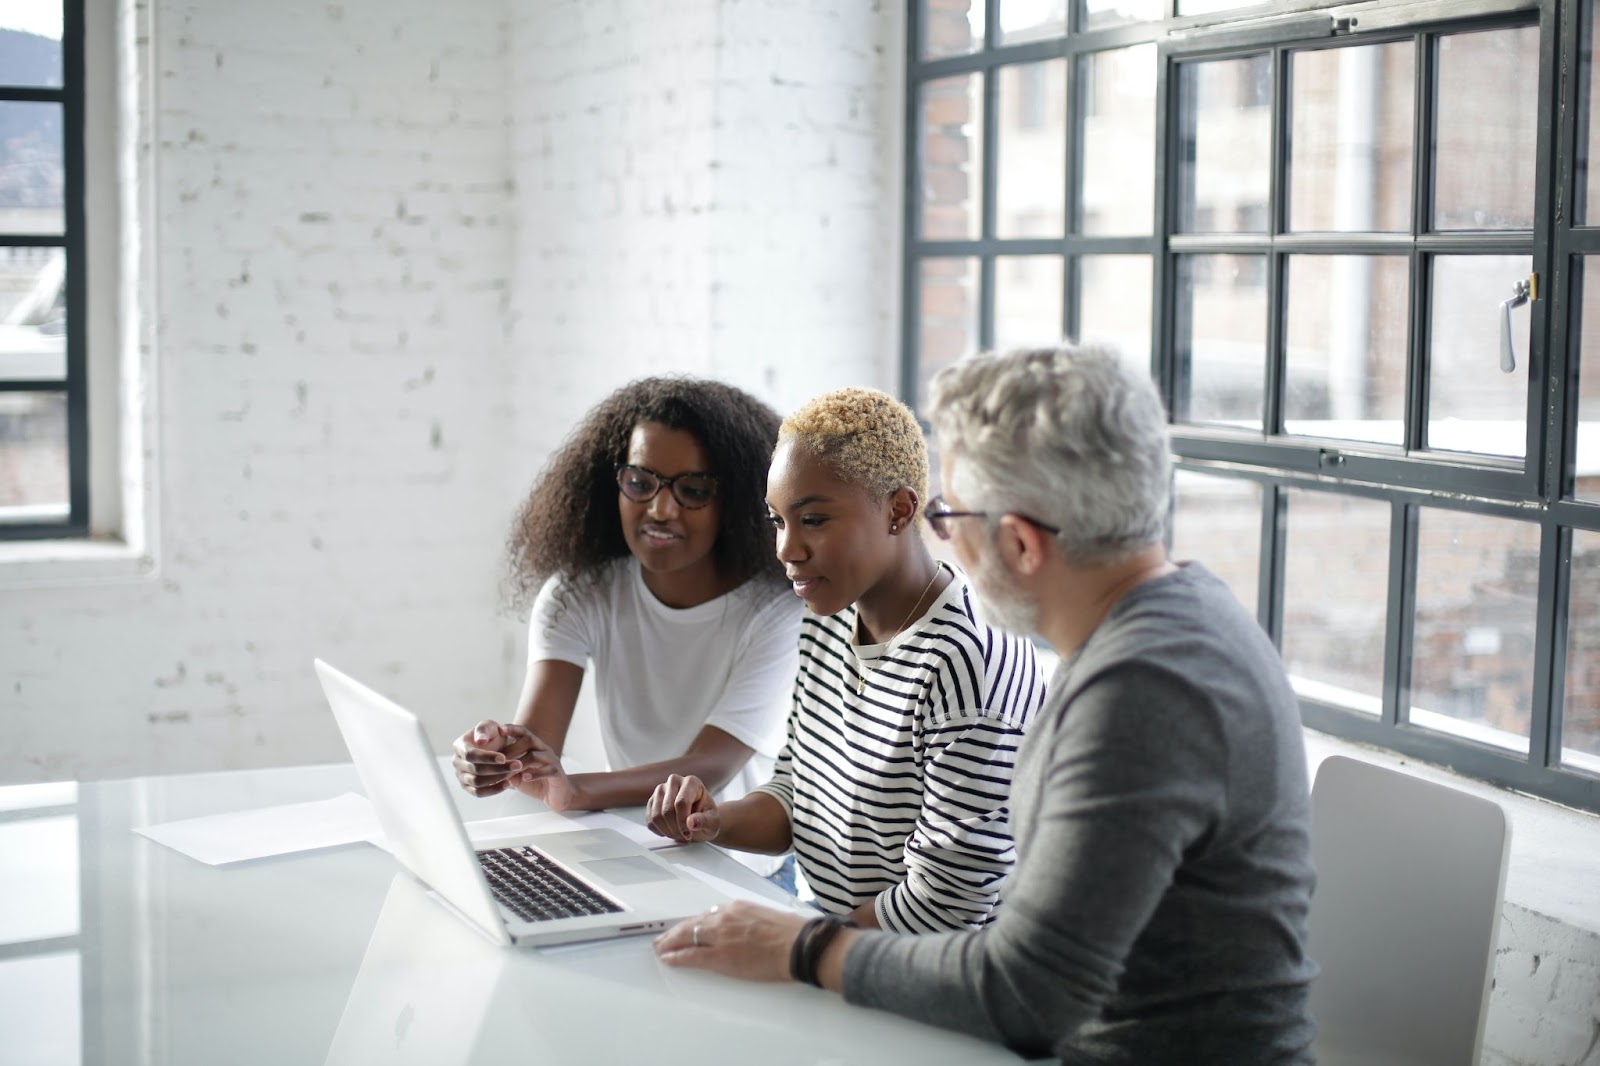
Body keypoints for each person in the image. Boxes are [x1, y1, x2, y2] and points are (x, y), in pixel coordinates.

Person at [652, 347, 1319, 1065]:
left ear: (1022, 543)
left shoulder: (1139, 694)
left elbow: (1026, 995)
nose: (945, 539)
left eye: (948, 513)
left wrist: (804, 943)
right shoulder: (1179, 616)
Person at [646, 387, 1046, 932]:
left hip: (928, 973)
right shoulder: (828, 614)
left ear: (899, 510)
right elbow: (797, 794)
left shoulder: (970, 662)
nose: (786, 549)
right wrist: (714, 821)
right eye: (778, 521)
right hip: (826, 927)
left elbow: (949, 905)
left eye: (812, 520)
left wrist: (791, 947)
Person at [452, 377, 803, 836]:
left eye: (693, 490)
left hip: (740, 865)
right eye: (640, 482)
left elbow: (711, 767)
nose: (660, 509)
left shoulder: (777, 611)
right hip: (637, 844)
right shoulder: (580, 593)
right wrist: (498, 757)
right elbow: (537, 752)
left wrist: (573, 790)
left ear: (735, 503)